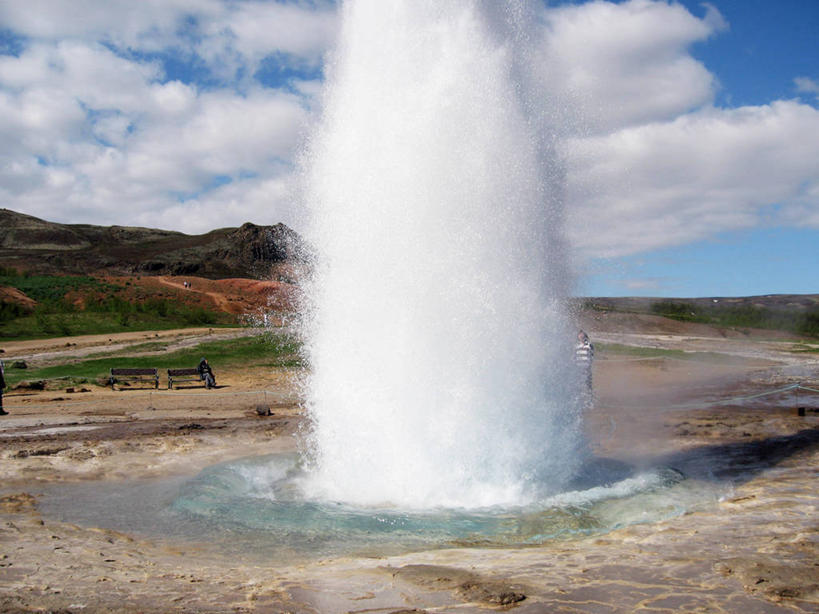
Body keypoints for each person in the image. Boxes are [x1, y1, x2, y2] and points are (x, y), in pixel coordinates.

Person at [574, 329, 594, 394]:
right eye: (580, 335)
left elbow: (592, 355)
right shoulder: (576, 345)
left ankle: (590, 397)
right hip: (578, 367)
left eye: (582, 335)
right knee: (578, 383)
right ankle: (579, 396)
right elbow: (574, 356)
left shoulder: (589, 345)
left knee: (588, 384)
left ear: (585, 336)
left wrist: (589, 364)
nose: (581, 337)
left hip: (586, 367)